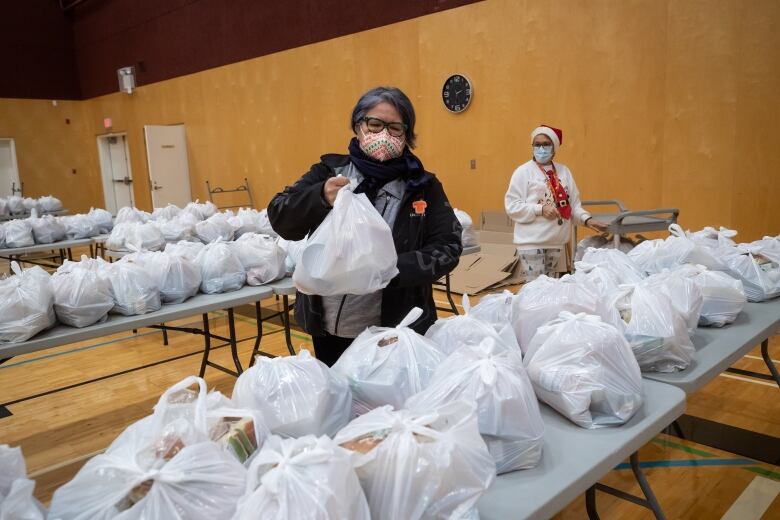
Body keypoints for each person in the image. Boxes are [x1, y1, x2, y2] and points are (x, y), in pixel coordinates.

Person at [268, 86, 462, 366]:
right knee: (339, 402)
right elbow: (280, 216)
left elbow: (449, 246)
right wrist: (320, 197)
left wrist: (393, 268)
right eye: (375, 124)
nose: (384, 135)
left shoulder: (422, 187)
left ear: (406, 135)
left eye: (395, 128)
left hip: (393, 330)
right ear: (358, 126)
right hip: (329, 326)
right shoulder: (329, 172)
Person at [504, 124, 607, 281]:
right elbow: (512, 206)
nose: (541, 148)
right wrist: (540, 209)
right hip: (531, 243)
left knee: (550, 290)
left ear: (554, 148)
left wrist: (587, 219)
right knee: (536, 289)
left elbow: (573, 206)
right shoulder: (523, 171)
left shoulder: (564, 171)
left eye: (546, 144)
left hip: (556, 242)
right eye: (537, 144)